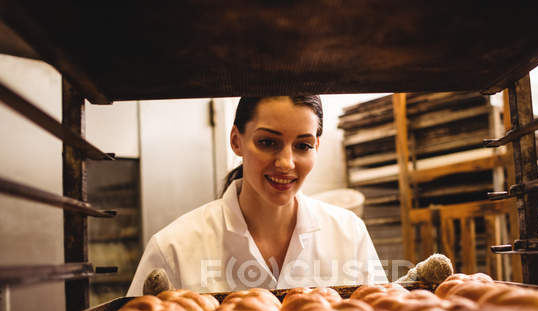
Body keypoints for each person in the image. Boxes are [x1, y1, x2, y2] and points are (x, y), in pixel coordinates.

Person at [127, 95, 389, 295]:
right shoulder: (173, 249)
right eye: (267, 142)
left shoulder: (349, 234)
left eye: (303, 146)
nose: (286, 163)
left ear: (316, 147)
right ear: (236, 140)